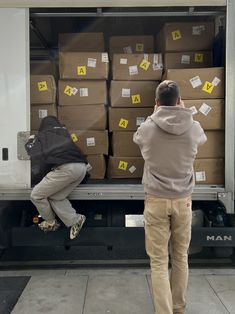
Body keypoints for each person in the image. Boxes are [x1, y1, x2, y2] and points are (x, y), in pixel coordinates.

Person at [133, 80, 207, 314]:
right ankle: (179, 308)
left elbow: (137, 138)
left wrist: (155, 115)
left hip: (155, 200)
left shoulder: (147, 128)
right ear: (178, 101)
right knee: (181, 256)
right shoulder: (194, 127)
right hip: (183, 201)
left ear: (156, 103)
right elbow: (202, 139)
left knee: (158, 261)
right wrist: (183, 114)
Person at [25, 116, 89, 240]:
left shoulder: (44, 135)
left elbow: (34, 154)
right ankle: (76, 220)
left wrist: (30, 142)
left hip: (66, 169)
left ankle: (50, 222)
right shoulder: (65, 134)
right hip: (81, 168)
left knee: (36, 195)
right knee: (56, 196)